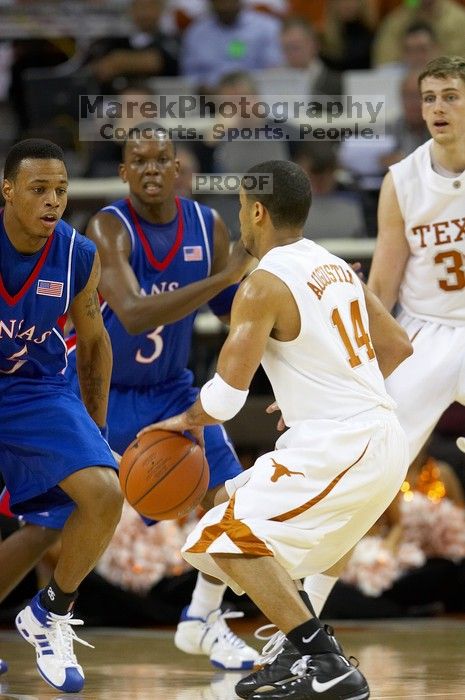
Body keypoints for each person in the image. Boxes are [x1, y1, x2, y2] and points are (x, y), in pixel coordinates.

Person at [139, 159, 412, 699]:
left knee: (223, 537)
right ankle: (297, 652)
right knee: (242, 508)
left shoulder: (262, 284)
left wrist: (182, 422)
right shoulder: (337, 266)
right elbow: (398, 347)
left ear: (257, 211)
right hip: (370, 438)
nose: (240, 218)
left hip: (345, 444)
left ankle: (322, 659)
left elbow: (224, 396)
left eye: (241, 208)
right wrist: (329, 387)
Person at [65, 124, 259, 670]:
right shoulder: (108, 227)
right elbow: (132, 312)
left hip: (172, 389)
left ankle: (204, 616)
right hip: (105, 392)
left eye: (162, 160)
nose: (152, 169)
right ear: (124, 171)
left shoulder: (207, 224)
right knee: (53, 523)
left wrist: (273, 305)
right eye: (139, 160)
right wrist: (227, 272)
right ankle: (48, 617)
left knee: (232, 503)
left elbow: (229, 309)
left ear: (178, 169)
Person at [298, 54, 465, 632]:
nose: (439, 108)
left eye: (451, 96)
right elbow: (382, 287)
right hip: (425, 332)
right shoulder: (402, 179)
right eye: (431, 98)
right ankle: (301, 625)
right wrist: (354, 365)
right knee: (369, 479)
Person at [0, 139, 123, 692]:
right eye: (38, 189)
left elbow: (95, 344)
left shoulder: (77, 254)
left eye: (60, 190)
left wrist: (94, 431)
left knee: (105, 493)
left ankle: (50, 612)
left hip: (37, 392)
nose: (53, 201)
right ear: (7, 190)